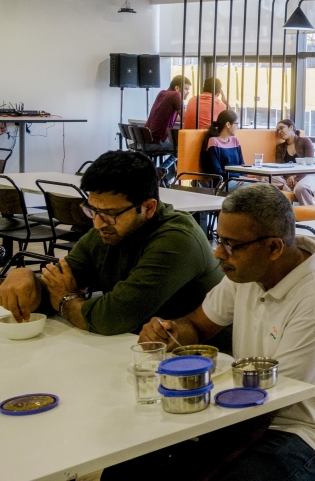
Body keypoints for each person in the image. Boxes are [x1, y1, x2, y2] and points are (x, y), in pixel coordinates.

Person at [105, 184, 315, 481]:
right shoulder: (246, 274)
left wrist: (195, 471)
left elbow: (268, 408)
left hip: (306, 432)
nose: (218, 253)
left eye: (230, 245)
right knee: (124, 468)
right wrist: (171, 332)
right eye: (218, 239)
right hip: (242, 409)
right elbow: (199, 326)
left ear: (273, 248)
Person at [0, 151, 221, 334]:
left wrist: (67, 300)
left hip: (201, 362)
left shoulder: (177, 240)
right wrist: (26, 279)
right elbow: (58, 284)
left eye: (110, 214)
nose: (98, 224)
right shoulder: (108, 230)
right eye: (92, 210)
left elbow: (112, 317)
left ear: (149, 208)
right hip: (129, 350)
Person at [274, 119, 315, 205]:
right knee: (264, 178)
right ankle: (287, 186)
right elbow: (279, 167)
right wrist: (289, 177)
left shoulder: (305, 141)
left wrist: (296, 179)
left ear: (291, 127)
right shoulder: (280, 147)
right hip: (288, 177)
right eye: (278, 130)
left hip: (308, 174)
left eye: (281, 128)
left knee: (301, 188)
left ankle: (310, 212)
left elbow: (309, 164)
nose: (279, 132)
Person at [143, 74, 190, 151]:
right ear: (177, 88)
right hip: (158, 142)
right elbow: (185, 117)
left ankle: (162, 164)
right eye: (186, 89)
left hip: (145, 142)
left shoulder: (162, 93)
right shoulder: (176, 95)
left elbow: (166, 115)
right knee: (187, 147)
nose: (188, 92)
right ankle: (164, 164)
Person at [202, 109, 243, 181]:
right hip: (223, 183)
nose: (238, 127)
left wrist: (243, 178)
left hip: (238, 181)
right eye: (236, 124)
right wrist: (237, 177)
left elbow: (242, 164)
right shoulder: (213, 142)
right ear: (228, 125)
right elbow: (216, 171)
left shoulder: (235, 141)